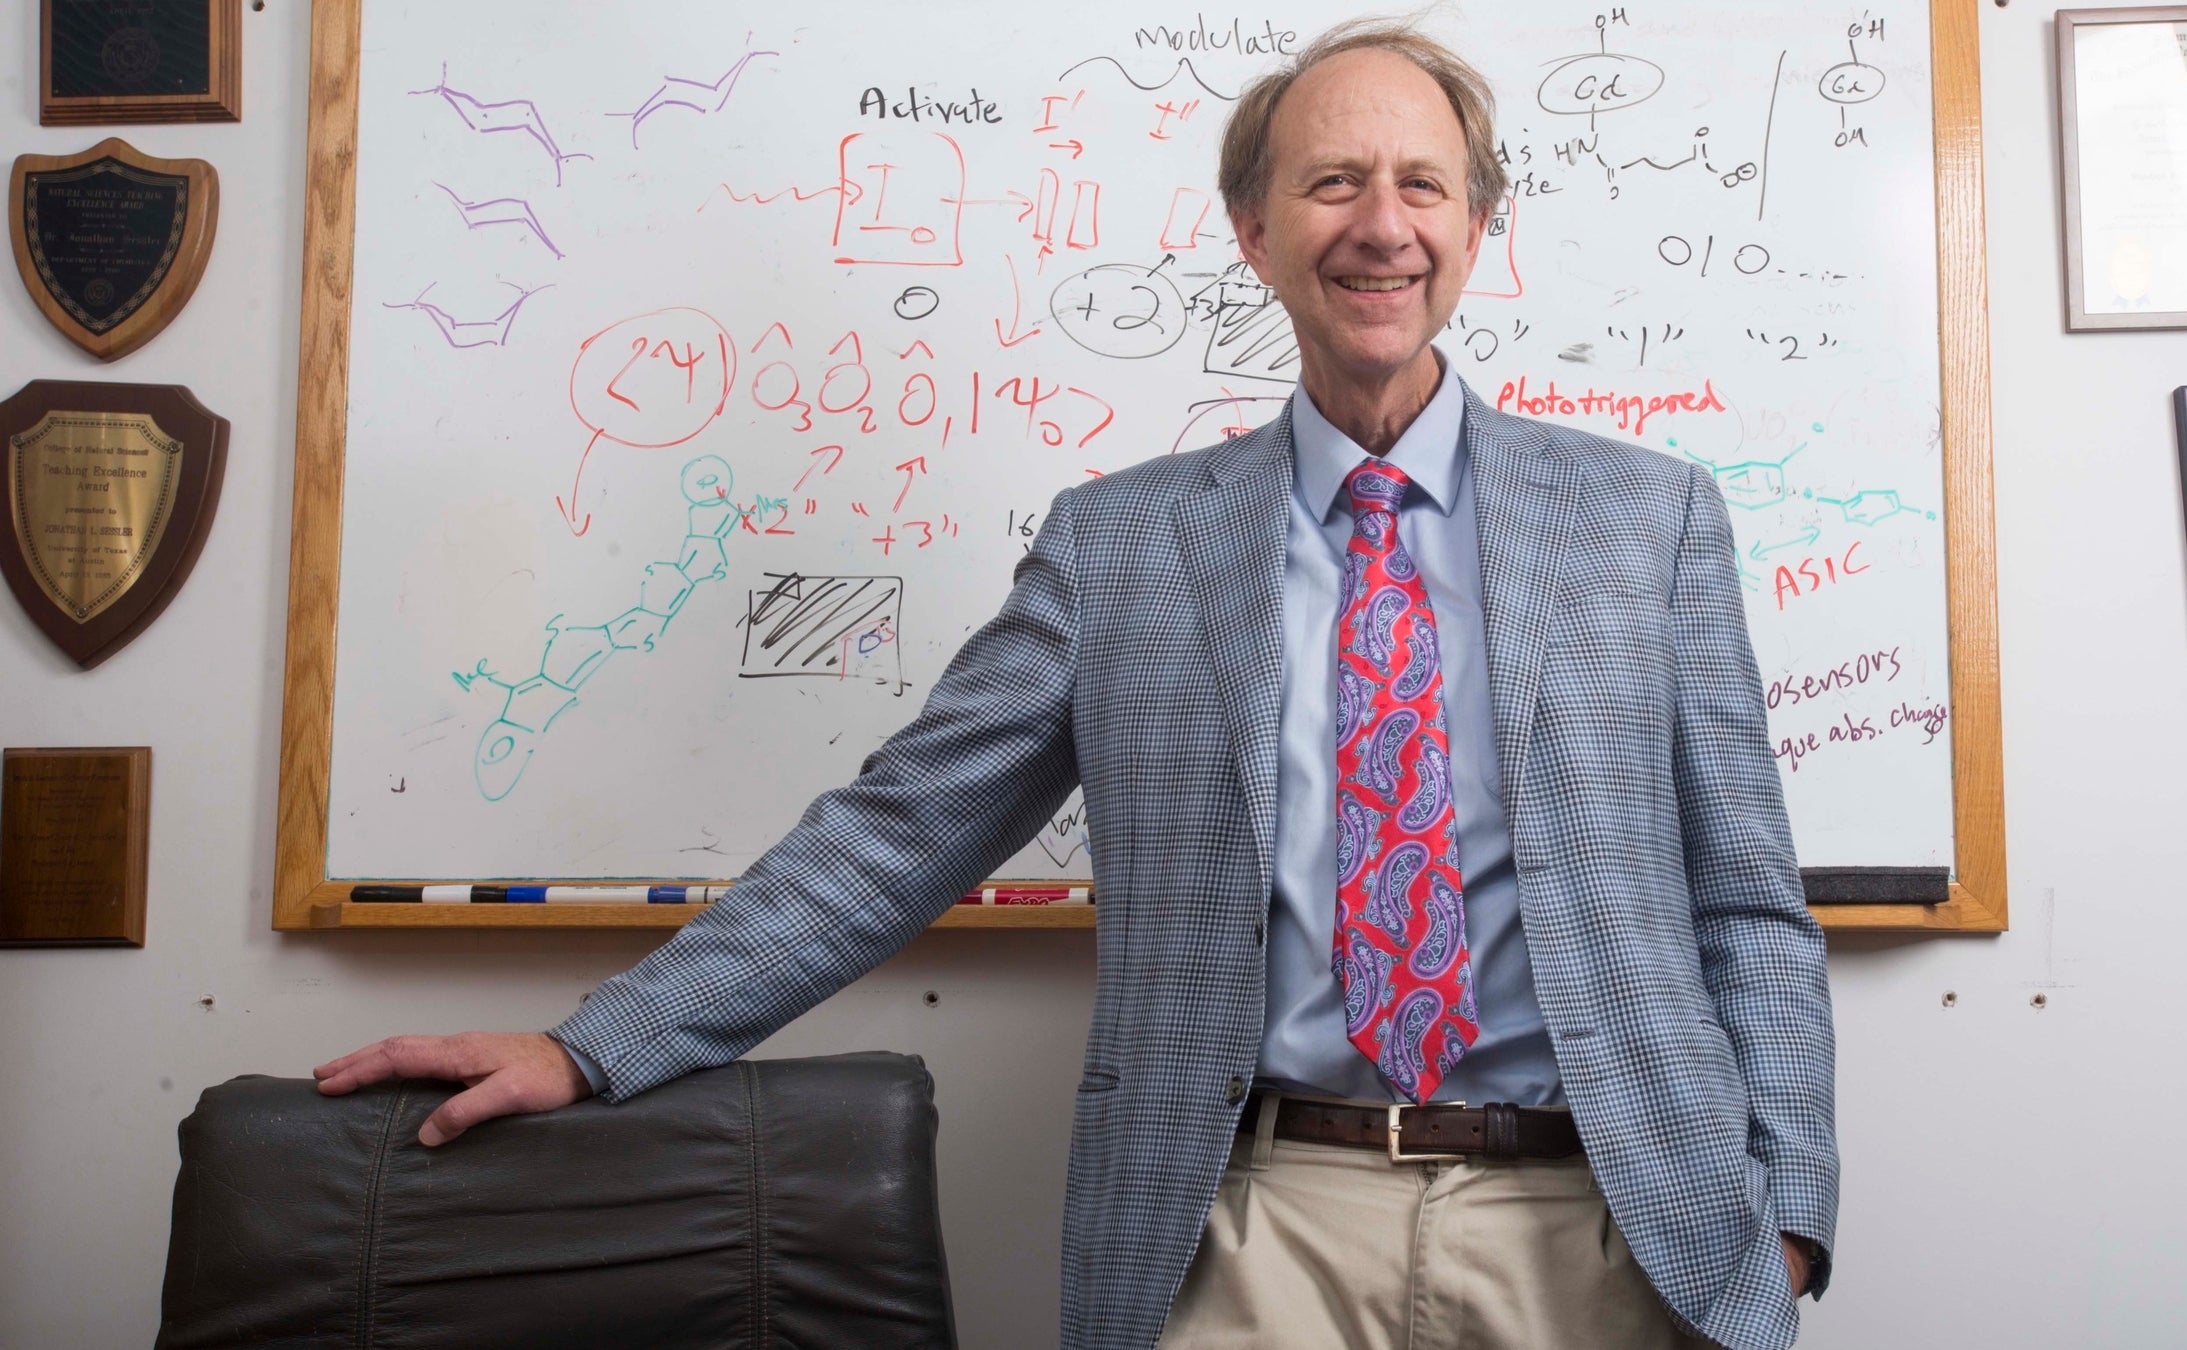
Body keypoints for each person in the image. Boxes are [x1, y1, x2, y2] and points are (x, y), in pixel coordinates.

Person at [315, 20, 1836, 1350]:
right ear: (1252, 230)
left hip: (1612, 1218)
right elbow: (897, 831)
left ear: (1478, 224)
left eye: (1421, 183)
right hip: (1250, 1229)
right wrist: (595, 1044)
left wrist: (1785, 1217)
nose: (1383, 225)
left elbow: (1746, 898)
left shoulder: (1653, 520)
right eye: (1331, 182)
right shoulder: (1126, 548)